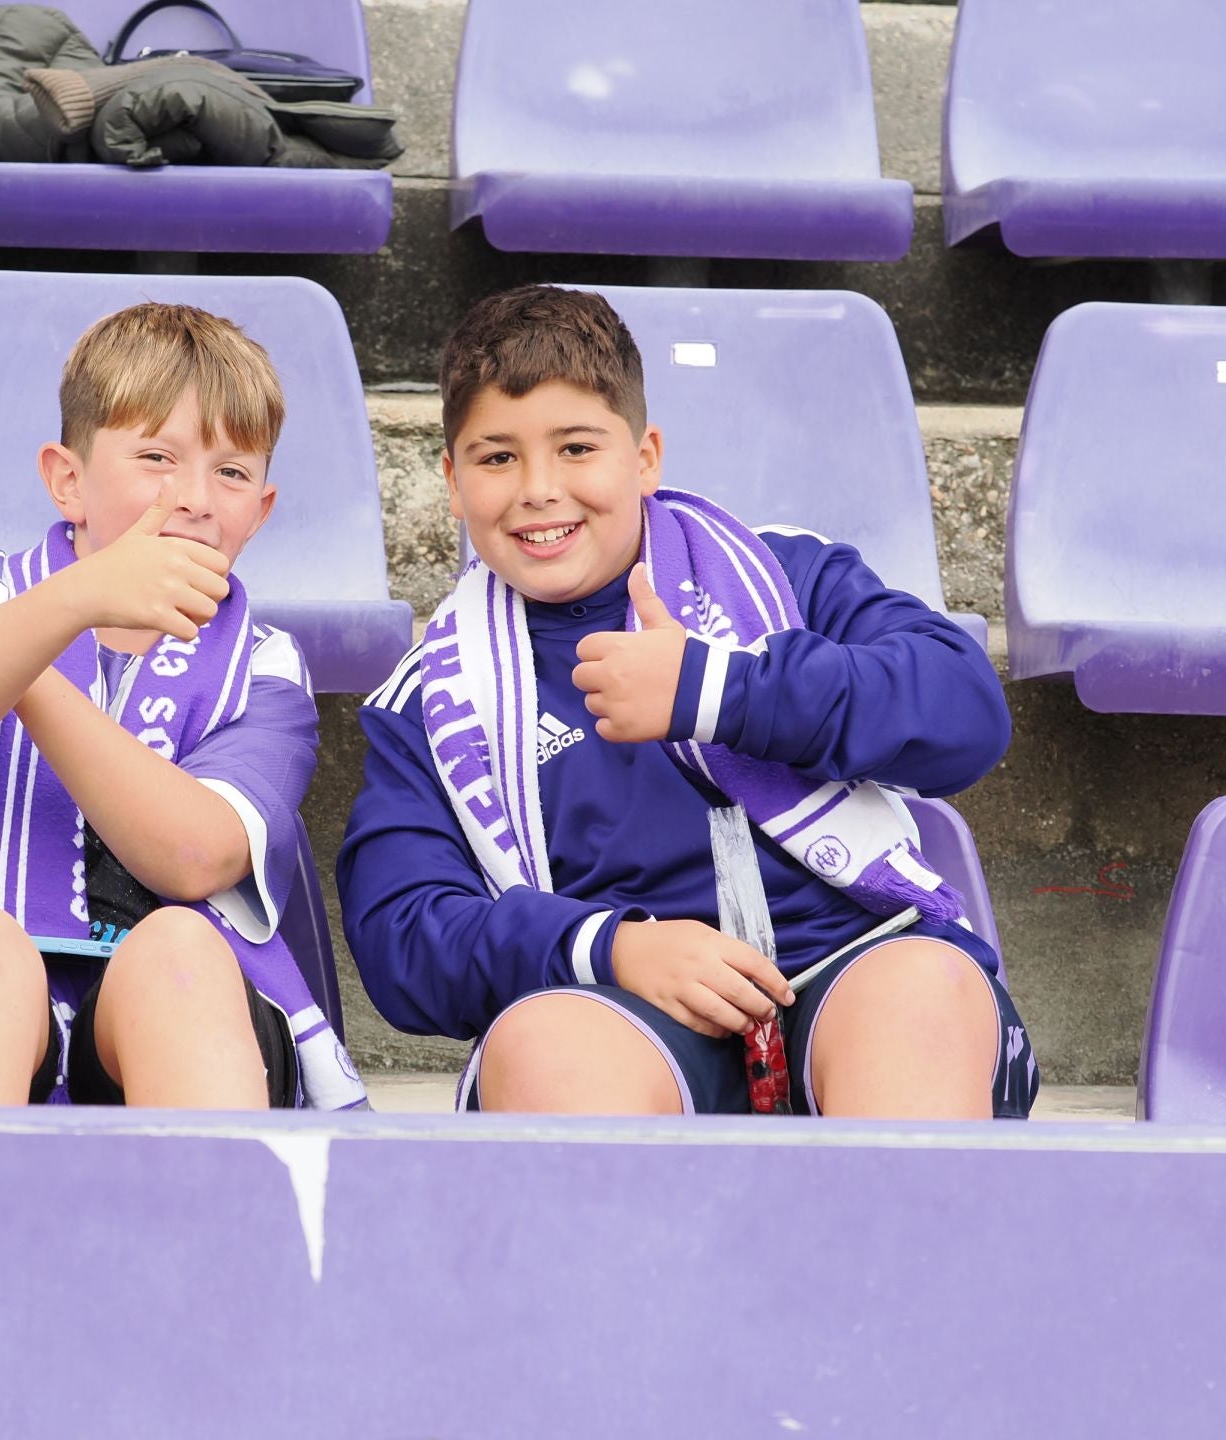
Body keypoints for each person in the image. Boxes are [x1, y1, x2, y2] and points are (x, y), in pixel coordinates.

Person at [338, 285, 1035, 1119]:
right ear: (453, 483)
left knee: (918, 996)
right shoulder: (431, 697)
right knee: (548, 1045)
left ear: (645, 458)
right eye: (497, 459)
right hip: (627, 1013)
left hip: (853, 965)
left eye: (576, 448)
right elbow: (402, 932)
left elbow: (966, 710)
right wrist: (613, 948)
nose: (538, 489)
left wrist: (722, 691)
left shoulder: (786, 576)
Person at [0, 302, 366, 1111]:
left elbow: (194, 856)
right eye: (157, 458)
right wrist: (66, 606)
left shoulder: (263, 665)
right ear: (67, 480)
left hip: (161, 1024)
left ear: (261, 510)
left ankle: (210, 1196)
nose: (196, 499)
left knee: (178, 951)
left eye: (232, 473)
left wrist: (23, 673)